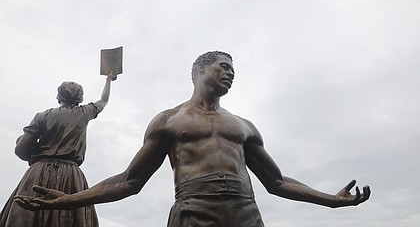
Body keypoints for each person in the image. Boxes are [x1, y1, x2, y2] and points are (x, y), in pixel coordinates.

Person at [15, 51, 370, 227]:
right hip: (194, 212)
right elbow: (129, 181)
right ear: (201, 71)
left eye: (234, 70)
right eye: (223, 67)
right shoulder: (169, 120)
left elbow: (276, 181)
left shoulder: (244, 126)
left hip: (246, 213)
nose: (230, 73)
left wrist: (332, 202)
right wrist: (69, 201)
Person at [1, 74, 117, 227]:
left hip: (38, 172)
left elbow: (21, 149)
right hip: (71, 175)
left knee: (26, 215)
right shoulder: (85, 112)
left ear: (58, 97)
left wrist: (34, 154)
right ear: (80, 99)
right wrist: (108, 80)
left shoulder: (42, 116)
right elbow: (104, 101)